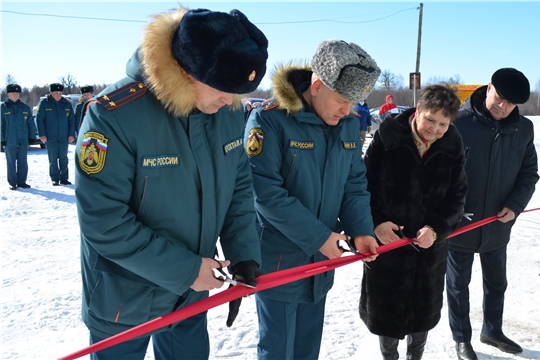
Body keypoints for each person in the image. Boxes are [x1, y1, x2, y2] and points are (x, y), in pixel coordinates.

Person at [74, 6, 268, 359]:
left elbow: (238, 189)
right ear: (185, 70)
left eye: (238, 92)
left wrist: (243, 255)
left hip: (188, 300)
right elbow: (103, 221)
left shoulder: (225, 111)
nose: (230, 100)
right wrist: (187, 270)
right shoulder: (113, 115)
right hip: (124, 302)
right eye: (223, 89)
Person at [244, 39, 380, 360]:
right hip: (279, 262)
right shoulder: (269, 121)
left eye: (355, 101)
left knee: (307, 350)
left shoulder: (345, 125)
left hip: (320, 264)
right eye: (342, 100)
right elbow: (264, 191)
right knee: (277, 349)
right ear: (317, 86)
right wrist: (320, 238)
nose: (349, 110)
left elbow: (354, 185)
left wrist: (361, 230)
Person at [359, 84, 467, 360]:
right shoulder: (387, 138)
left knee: (422, 312)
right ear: (418, 110)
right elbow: (362, 187)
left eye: (443, 124)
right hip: (387, 247)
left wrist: (436, 229)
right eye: (430, 119)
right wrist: (377, 222)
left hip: (429, 250)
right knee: (387, 314)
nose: (435, 129)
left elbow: (457, 198)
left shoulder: (453, 147)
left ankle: (415, 357)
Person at [446, 68, 539, 360]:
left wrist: (515, 205)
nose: (502, 106)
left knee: (497, 282)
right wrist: (449, 209)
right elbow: (436, 173)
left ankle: (493, 330)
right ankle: (462, 339)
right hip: (461, 223)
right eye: (499, 98)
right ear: (488, 89)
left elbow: (529, 173)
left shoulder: (523, 129)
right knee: (458, 285)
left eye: (510, 103)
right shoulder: (457, 124)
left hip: (499, 224)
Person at [35, 83, 76, 186]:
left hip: (63, 136)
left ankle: (64, 178)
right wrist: (42, 134)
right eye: (56, 93)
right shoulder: (44, 103)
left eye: (60, 93)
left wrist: (71, 134)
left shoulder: (66, 104)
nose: (58, 95)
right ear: (51, 93)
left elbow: (71, 120)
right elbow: (40, 120)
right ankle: (55, 178)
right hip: (50, 137)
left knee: (64, 159)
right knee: (53, 160)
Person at [1, 84, 36, 190]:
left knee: (22, 162)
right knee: (11, 163)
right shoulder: (3, 108)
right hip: (9, 140)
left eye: (17, 93)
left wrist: (32, 136)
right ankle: (13, 182)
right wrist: (1, 139)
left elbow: (31, 123)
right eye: (13, 93)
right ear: (8, 94)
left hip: (23, 140)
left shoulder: (24, 107)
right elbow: (0, 125)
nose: (15, 95)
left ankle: (21, 181)